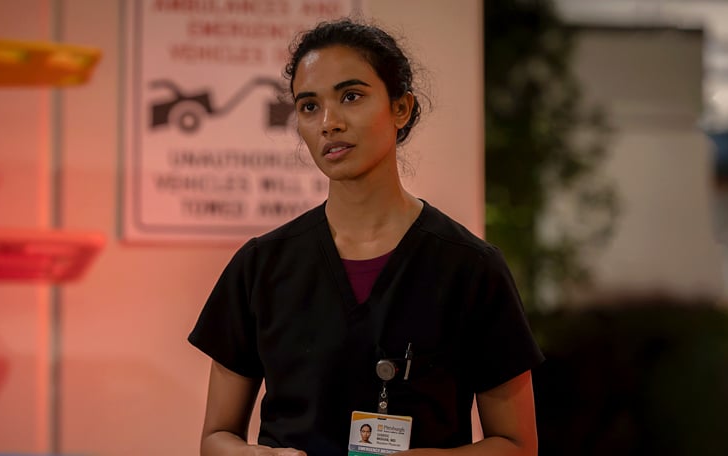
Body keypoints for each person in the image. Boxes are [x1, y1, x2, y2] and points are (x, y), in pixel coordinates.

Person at [188, 17, 544, 456]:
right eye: (309, 106)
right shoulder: (261, 265)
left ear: (401, 108)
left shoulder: (471, 268)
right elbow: (216, 438)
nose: (329, 123)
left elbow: (517, 445)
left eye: (351, 96)